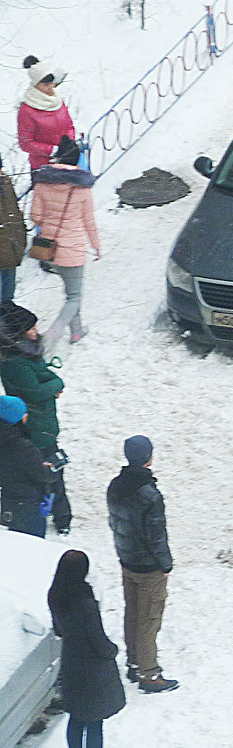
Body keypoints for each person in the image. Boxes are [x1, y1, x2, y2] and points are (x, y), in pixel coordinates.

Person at [106, 435, 179, 692]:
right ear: (149, 457)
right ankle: (149, 674)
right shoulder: (149, 495)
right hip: (149, 567)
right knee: (149, 619)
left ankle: (134, 662)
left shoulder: (115, 486)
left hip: (128, 560)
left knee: (132, 613)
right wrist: (166, 565)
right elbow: (156, 536)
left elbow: (114, 522)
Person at [46, 550, 125, 748]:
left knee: (76, 717)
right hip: (93, 669)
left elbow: (59, 630)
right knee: (94, 722)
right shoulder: (84, 601)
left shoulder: (55, 594)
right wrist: (112, 650)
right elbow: (98, 640)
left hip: (71, 663)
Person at [0, 301, 70, 534]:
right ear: (17, 333)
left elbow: (45, 376)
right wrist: (55, 385)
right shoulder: (15, 363)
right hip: (36, 424)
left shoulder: (27, 351)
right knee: (50, 471)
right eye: (31, 328)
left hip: (40, 420)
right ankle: (62, 517)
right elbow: (36, 390)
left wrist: (51, 383)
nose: (36, 332)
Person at [29, 135, 100, 353]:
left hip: (50, 249)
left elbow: (35, 216)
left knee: (71, 292)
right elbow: (89, 221)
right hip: (73, 249)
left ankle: (77, 331)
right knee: (74, 297)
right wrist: (96, 245)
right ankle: (50, 337)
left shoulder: (42, 185)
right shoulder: (82, 189)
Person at [0, 395, 51, 537]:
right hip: (27, 504)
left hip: (8, 501)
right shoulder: (22, 446)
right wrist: (46, 468)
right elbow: (41, 474)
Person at [17, 56, 75, 171]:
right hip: (43, 168)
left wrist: (69, 143)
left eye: (51, 83)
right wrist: (53, 150)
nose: (51, 87)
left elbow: (69, 125)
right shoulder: (27, 109)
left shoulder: (57, 100)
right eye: (45, 85)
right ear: (36, 85)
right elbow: (25, 142)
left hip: (67, 160)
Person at [0, 153, 27, 303]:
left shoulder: (5, 183)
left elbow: (14, 212)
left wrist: (20, 238)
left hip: (10, 249)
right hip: (7, 247)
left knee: (8, 299)